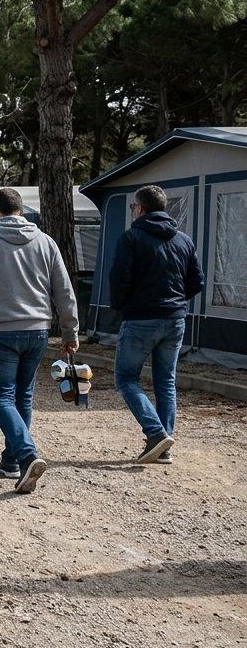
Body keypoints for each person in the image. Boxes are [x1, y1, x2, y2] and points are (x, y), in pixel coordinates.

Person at [0, 188, 78, 494]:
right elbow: (64, 290)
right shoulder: (45, 242)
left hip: (0, 330)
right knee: (23, 396)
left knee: (1, 398)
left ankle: (26, 454)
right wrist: (70, 332)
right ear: (21, 210)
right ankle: (11, 461)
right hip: (37, 330)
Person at [109, 185, 203, 465]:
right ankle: (164, 446)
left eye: (133, 207)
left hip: (140, 318)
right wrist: (174, 302)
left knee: (126, 379)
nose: (133, 212)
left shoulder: (132, 238)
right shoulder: (184, 240)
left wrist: (121, 305)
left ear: (141, 208)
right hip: (175, 320)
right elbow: (196, 281)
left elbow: (119, 278)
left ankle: (155, 433)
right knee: (166, 381)